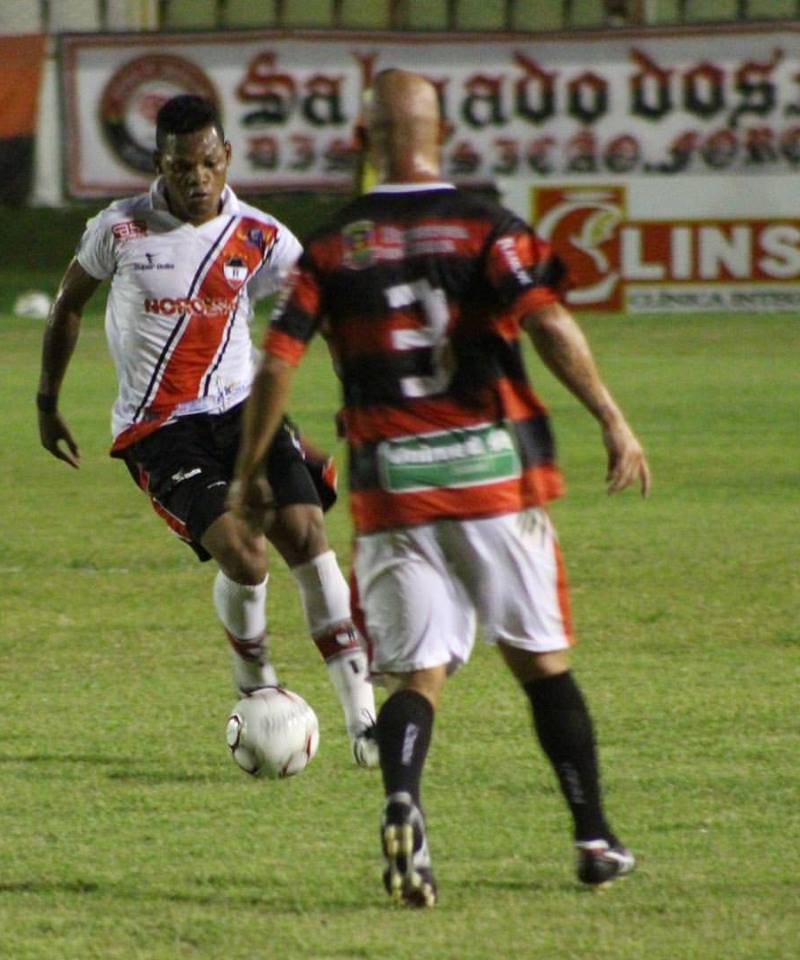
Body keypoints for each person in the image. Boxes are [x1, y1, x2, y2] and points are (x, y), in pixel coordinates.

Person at [229, 70, 651, 906]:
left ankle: (402, 805)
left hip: (394, 490)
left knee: (417, 677)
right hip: (492, 477)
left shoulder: (332, 245)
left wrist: (249, 476)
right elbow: (546, 318)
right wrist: (609, 415)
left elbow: (278, 360)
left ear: (363, 138)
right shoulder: (484, 225)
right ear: (443, 132)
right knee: (542, 664)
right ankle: (595, 836)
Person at [36, 94, 378, 768]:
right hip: (161, 428)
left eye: (209, 163)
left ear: (227, 159)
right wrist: (47, 401)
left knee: (307, 535)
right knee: (246, 556)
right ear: (159, 164)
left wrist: (358, 396)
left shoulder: (262, 236)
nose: (197, 178)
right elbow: (69, 304)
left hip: (245, 412)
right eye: (182, 165)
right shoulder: (120, 230)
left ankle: (363, 719)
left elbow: (326, 311)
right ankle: (256, 684)